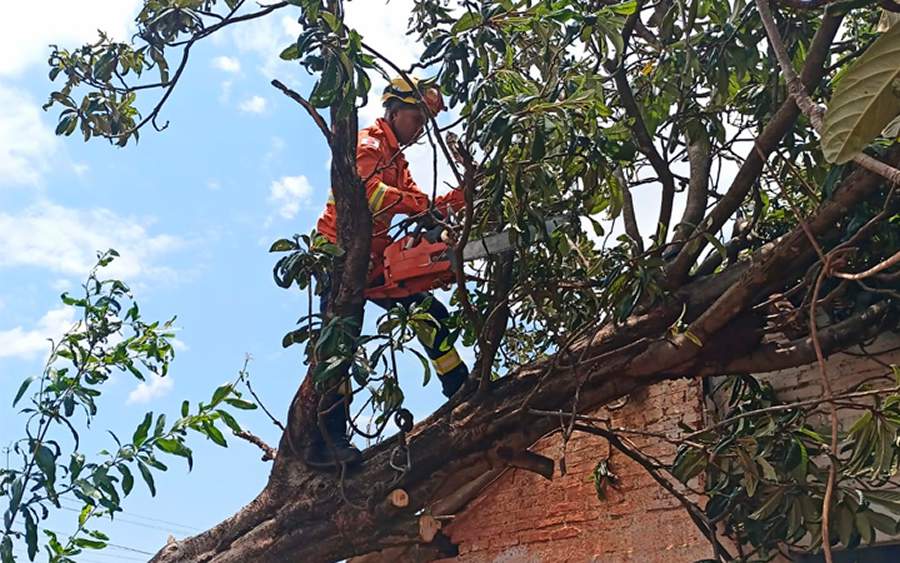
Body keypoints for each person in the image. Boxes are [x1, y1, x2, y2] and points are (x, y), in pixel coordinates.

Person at [305, 76, 469, 468]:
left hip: (376, 262)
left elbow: (419, 203)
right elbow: (369, 193)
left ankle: (460, 387)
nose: (419, 129)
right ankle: (329, 443)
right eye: (416, 119)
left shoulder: (399, 160)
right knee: (338, 348)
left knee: (428, 312)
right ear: (395, 112)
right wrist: (416, 204)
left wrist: (458, 200)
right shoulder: (370, 144)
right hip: (338, 255)